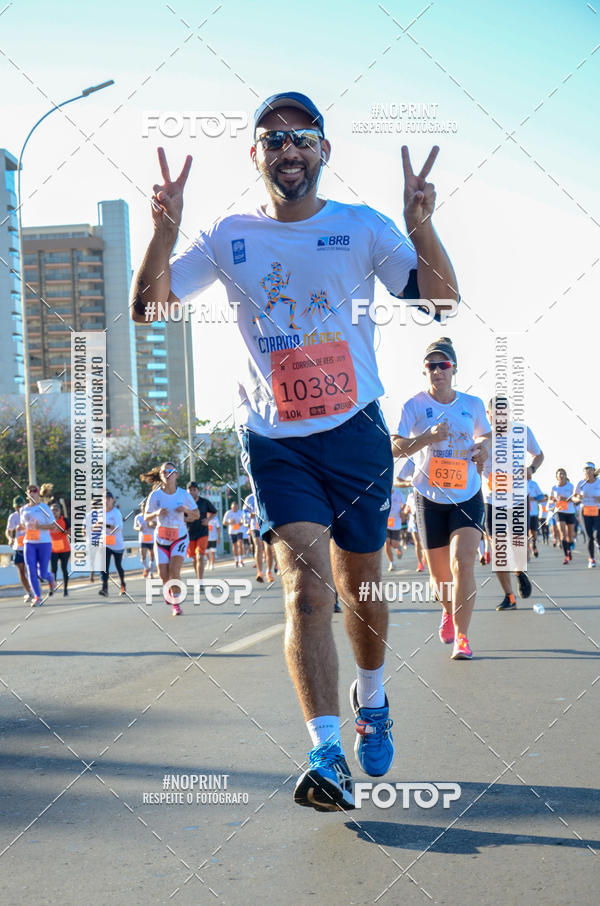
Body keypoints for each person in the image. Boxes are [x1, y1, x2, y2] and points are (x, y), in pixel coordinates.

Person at [131, 90, 458, 811]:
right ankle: (325, 753)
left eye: (302, 137)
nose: (288, 150)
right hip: (277, 442)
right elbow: (150, 306)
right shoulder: (227, 234)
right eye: (273, 140)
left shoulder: (362, 228)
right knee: (306, 593)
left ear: (323, 152)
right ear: (256, 156)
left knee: (361, 591)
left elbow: (440, 300)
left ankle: (372, 698)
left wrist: (422, 226)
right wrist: (165, 229)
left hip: (356, 436)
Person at [392, 338, 491, 660]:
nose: (437, 371)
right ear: (425, 371)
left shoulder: (472, 404)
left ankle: (463, 637)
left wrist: (483, 448)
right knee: (439, 576)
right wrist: (427, 438)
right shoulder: (414, 406)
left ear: (454, 369)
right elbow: (394, 448)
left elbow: (486, 435)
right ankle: (448, 611)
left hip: (467, 493)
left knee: (462, 563)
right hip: (428, 496)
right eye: (431, 366)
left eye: (443, 365)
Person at [482, 397, 544, 610]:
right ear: (488, 414)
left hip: (518, 498)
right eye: (496, 413)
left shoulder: (521, 431)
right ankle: (509, 596)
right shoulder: (482, 436)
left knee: (519, 546)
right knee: (498, 548)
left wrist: (531, 469)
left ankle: (519, 571)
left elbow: (539, 455)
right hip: (493, 500)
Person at [143, 462, 199, 615]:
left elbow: (197, 514)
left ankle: (176, 603)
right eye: (164, 472)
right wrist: (156, 513)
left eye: (171, 471)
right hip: (161, 539)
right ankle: (170, 591)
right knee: (163, 575)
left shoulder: (183, 494)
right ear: (161, 475)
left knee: (174, 571)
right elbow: (146, 516)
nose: (167, 474)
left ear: (176, 474)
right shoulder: (155, 495)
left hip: (179, 537)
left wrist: (185, 510)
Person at [19, 484, 60, 606]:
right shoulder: (23, 509)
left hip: (44, 542)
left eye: (34, 490)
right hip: (29, 542)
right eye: (29, 491)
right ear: (27, 494)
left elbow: (53, 525)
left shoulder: (44, 508)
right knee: (31, 570)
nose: (32, 493)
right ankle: (37, 596)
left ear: (38, 493)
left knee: (42, 573)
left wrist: (39, 527)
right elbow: (23, 525)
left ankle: (50, 578)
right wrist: (21, 528)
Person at [185, 481, 217, 587]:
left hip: (202, 532)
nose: (192, 491)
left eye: (194, 489)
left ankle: (200, 581)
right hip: (189, 533)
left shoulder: (204, 502)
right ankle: (198, 577)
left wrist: (208, 520)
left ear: (198, 491)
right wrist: (186, 519)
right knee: (194, 558)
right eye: (190, 489)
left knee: (200, 556)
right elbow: (179, 515)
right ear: (187, 491)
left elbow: (214, 511)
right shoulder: (184, 503)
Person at [98, 492, 127, 597]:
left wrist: (105, 525)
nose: (105, 501)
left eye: (108, 499)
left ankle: (123, 585)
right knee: (104, 566)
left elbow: (118, 528)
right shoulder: (100, 512)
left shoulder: (116, 512)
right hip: (105, 543)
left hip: (117, 544)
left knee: (118, 566)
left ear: (112, 500)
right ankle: (104, 588)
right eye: (104, 499)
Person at [5, 495, 32, 602]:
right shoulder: (13, 517)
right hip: (18, 547)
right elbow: (8, 530)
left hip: (30, 545)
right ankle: (28, 592)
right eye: (17, 507)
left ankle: (35, 590)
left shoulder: (29, 515)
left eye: (20, 506)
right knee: (21, 570)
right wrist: (10, 538)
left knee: (29, 570)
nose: (19, 508)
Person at [573, 462, 600, 568]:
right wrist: (578, 498)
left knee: (597, 534)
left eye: (590, 469)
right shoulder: (580, 483)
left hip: (598, 509)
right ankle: (592, 559)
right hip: (585, 511)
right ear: (584, 472)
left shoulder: (598, 482)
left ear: (594, 471)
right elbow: (574, 499)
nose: (588, 471)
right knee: (589, 536)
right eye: (586, 469)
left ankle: (598, 544)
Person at [550, 469, 576, 564]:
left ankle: (569, 548)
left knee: (570, 536)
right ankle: (566, 555)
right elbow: (549, 500)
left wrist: (567, 499)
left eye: (563, 474)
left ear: (565, 475)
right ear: (556, 476)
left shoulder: (571, 486)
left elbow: (575, 498)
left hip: (570, 512)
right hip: (560, 512)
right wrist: (555, 500)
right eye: (559, 474)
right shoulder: (554, 488)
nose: (561, 475)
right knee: (562, 534)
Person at [50, 502, 71, 596]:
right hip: (53, 549)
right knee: (53, 569)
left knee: (64, 569)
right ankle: (52, 588)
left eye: (56, 510)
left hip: (64, 549)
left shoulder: (65, 520)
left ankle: (65, 589)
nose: (54, 512)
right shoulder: (48, 520)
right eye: (52, 510)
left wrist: (65, 531)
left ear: (60, 511)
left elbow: (70, 532)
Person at [243, 493, 265, 582]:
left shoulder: (266, 492)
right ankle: (260, 572)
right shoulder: (249, 498)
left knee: (268, 548)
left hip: (266, 525)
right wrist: (249, 516)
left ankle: (270, 571)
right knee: (258, 546)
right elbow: (245, 511)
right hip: (254, 526)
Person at [384, 481, 405, 572]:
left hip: (396, 522)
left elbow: (404, 505)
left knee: (394, 544)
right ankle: (392, 563)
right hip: (386, 522)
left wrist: (402, 511)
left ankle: (398, 546)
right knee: (387, 542)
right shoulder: (384, 495)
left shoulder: (398, 494)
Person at [134, 501, 156, 578]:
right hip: (143, 539)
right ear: (141, 508)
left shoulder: (152, 516)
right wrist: (138, 528)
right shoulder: (138, 517)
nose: (144, 508)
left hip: (151, 539)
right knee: (143, 557)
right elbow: (135, 527)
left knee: (152, 557)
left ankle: (151, 573)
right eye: (143, 506)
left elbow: (156, 525)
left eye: (145, 506)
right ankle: (146, 568)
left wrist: (151, 525)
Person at [527, 468, 546, 559]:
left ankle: (533, 545)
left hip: (533, 512)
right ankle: (527, 551)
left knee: (533, 532)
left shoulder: (534, 484)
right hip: (521, 512)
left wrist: (533, 499)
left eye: (529, 472)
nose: (528, 473)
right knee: (524, 533)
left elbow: (542, 497)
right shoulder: (517, 482)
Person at [223, 501, 245, 567]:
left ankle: (241, 560)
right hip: (232, 531)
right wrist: (230, 523)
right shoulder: (228, 513)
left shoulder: (241, 512)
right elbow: (224, 522)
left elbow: (244, 520)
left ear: (237, 507)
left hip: (239, 530)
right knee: (234, 546)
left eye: (236, 507)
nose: (235, 508)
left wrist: (241, 522)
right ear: (231, 507)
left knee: (240, 544)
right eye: (233, 507)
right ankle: (236, 560)